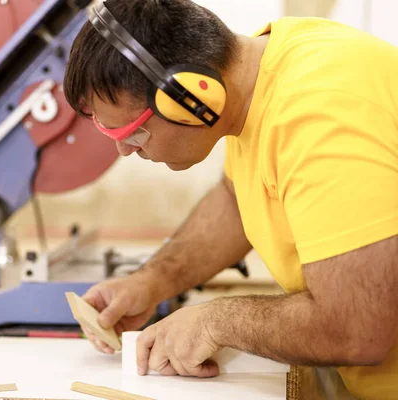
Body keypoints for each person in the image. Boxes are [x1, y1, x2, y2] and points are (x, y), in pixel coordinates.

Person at [62, 1, 398, 399]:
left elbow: (356, 327)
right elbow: (237, 199)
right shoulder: (264, 75)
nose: (126, 152)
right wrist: (151, 281)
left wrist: (214, 322)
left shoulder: (317, 116)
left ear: (190, 95)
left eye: (132, 135)